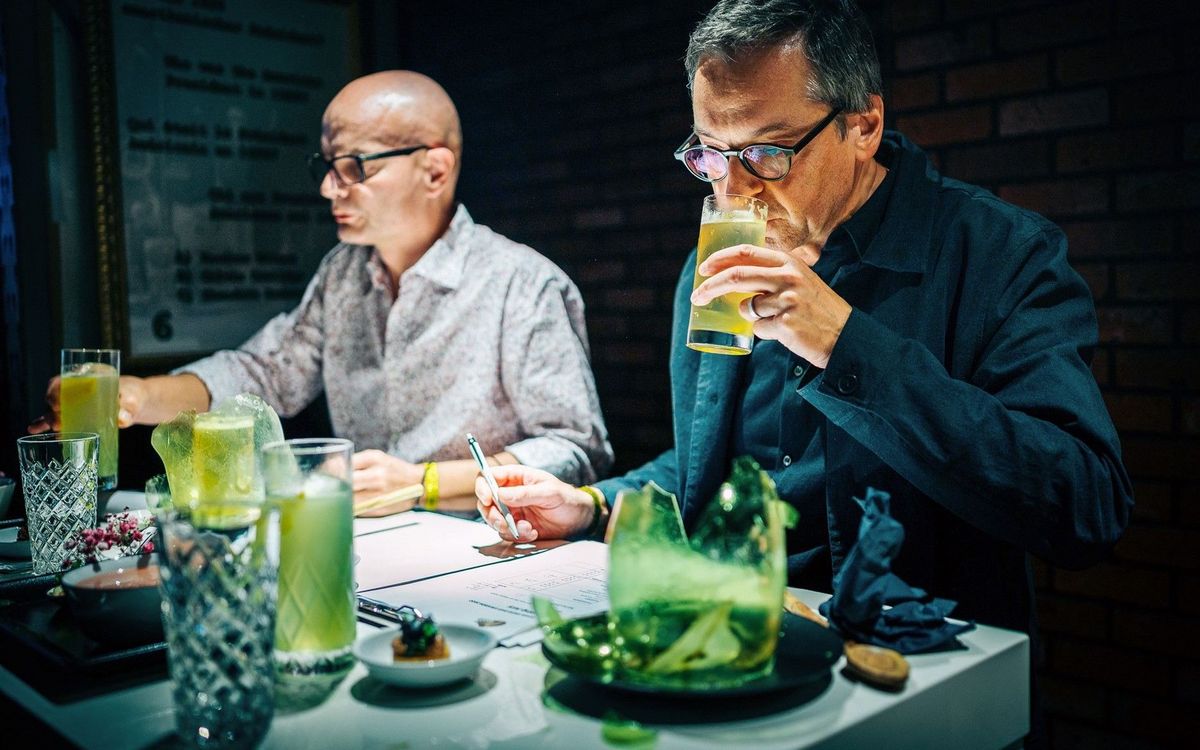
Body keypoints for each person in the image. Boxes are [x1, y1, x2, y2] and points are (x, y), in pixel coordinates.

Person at [477, 1, 1131, 740]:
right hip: (735, 661)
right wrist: (593, 505)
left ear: (864, 125)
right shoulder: (711, 265)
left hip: (911, 681)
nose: (733, 191)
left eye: (766, 153)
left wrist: (844, 344)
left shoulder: (1000, 252)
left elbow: (1086, 506)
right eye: (710, 154)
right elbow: (715, 469)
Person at [33, 71, 612, 506]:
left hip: (490, 550)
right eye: (327, 166)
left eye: (354, 166)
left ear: (435, 170)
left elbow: (576, 451)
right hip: (373, 543)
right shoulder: (344, 273)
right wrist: (136, 396)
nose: (330, 189)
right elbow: (264, 375)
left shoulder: (522, 283)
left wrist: (425, 481)